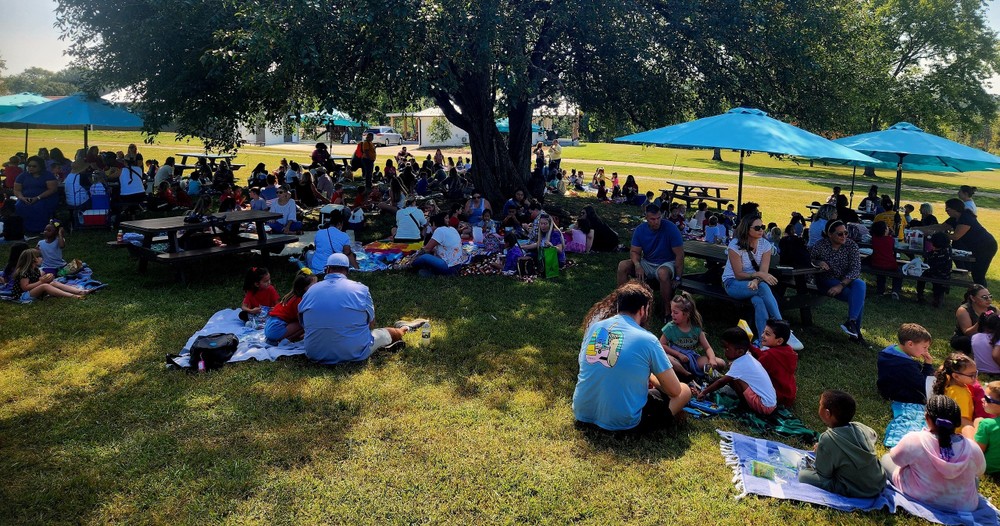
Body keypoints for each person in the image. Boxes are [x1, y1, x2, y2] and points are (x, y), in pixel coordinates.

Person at [572, 282, 692, 433]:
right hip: (623, 424)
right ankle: (658, 424)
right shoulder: (648, 339)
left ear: (618, 307)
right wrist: (653, 378)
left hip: (582, 413)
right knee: (685, 390)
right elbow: (674, 391)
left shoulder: (595, 328)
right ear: (643, 310)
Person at [299, 253, 422, 364]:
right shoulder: (361, 289)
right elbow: (371, 324)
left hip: (314, 353)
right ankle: (404, 329)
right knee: (386, 333)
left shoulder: (310, 292)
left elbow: (304, 324)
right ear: (347, 271)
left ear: (327, 270)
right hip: (353, 352)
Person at [881, 395, 985, 513]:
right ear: (957, 422)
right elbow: (980, 471)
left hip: (921, 497)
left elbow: (896, 460)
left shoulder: (914, 440)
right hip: (964, 506)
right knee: (974, 479)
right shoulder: (973, 448)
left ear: (927, 417)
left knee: (886, 458)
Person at [798, 390, 885, 497]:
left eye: (820, 404)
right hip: (879, 482)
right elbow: (873, 434)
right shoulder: (859, 427)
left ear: (827, 413)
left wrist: (821, 452)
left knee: (803, 475)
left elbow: (823, 474)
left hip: (859, 489)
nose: (818, 406)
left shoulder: (828, 438)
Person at [723, 214, 784, 338]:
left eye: (762, 226)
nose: (761, 230)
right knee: (763, 288)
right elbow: (739, 275)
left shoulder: (765, 245)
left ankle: (764, 340)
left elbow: (763, 271)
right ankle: (782, 327)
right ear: (747, 229)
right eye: (757, 228)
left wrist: (756, 280)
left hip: (754, 283)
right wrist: (758, 275)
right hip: (732, 282)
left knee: (759, 300)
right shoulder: (735, 245)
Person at [617, 204, 684, 316]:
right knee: (622, 266)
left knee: (662, 273)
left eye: (658, 218)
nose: (656, 221)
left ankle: (667, 310)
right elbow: (634, 252)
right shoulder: (640, 230)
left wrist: (677, 277)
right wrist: (637, 265)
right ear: (646, 218)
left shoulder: (671, 228)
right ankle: (622, 304)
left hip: (667, 262)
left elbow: (680, 254)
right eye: (652, 219)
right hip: (648, 261)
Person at [696, 327, 777, 416]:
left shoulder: (739, 364)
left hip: (763, 406)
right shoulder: (747, 357)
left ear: (740, 352)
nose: (724, 351)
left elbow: (721, 382)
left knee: (734, 378)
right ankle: (746, 402)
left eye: (727, 349)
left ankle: (744, 405)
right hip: (771, 404)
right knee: (733, 376)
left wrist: (704, 392)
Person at [810, 220, 866, 341]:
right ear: (830, 234)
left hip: (845, 280)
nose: (844, 236)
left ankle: (851, 321)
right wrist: (818, 262)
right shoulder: (821, 245)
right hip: (827, 279)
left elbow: (856, 269)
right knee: (857, 297)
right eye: (840, 234)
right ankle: (855, 330)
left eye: (845, 233)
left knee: (860, 284)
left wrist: (841, 285)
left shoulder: (851, 245)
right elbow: (809, 258)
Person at [659, 291, 724, 380]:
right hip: (676, 359)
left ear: (686, 313)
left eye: (675, 312)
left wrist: (712, 359)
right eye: (672, 311)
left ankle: (703, 374)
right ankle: (688, 376)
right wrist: (678, 355)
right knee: (668, 360)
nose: (672, 315)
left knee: (721, 363)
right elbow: (661, 345)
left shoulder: (696, 329)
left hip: (692, 359)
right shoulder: (670, 327)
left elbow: (707, 348)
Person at [877, 323, 935, 404]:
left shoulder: (887, 352)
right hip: (899, 396)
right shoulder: (906, 365)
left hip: (884, 387)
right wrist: (928, 366)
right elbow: (924, 386)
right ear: (910, 344)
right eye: (924, 347)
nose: (926, 351)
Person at [945, 198, 996, 287]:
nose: (946, 211)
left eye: (947, 208)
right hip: (976, 247)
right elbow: (940, 227)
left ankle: (983, 296)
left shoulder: (965, 218)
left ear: (954, 209)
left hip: (986, 246)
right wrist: (920, 229)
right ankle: (975, 294)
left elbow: (956, 236)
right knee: (975, 272)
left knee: (978, 275)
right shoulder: (955, 218)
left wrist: (939, 236)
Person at [750, 319, 798, 407]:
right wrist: (749, 347)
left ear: (779, 341)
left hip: (777, 397)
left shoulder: (769, 356)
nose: (762, 335)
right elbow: (762, 355)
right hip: (788, 394)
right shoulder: (787, 350)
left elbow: (753, 373)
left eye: (767, 334)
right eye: (763, 332)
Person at [10, 248, 88, 301]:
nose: (42, 258)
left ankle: (79, 291)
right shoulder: (24, 272)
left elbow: (37, 280)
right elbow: (25, 288)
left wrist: (47, 278)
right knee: (45, 286)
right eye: (40, 257)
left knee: (53, 283)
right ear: (34, 259)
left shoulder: (35, 269)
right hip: (22, 295)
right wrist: (42, 282)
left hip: (32, 292)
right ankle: (73, 296)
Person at [264, 269, 317, 345]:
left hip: (270, 326)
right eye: (314, 285)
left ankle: (277, 339)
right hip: (276, 329)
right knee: (303, 324)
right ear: (305, 287)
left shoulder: (292, 295)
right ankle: (281, 340)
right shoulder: (299, 301)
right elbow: (304, 320)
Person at [933, 353, 979, 438]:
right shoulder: (960, 393)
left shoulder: (949, 381)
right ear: (956, 376)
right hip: (959, 434)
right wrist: (978, 429)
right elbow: (961, 419)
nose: (975, 378)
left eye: (976, 373)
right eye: (971, 375)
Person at [13, 156, 59, 233]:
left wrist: (38, 197)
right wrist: (22, 198)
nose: (31, 168)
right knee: (19, 206)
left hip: (45, 198)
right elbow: (17, 190)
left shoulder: (48, 175)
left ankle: (40, 228)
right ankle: (22, 228)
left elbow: (52, 189)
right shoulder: (22, 176)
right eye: (29, 166)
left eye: (34, 166)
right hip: (25, 198)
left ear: (40, 166)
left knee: (39, 206)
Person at [309, 210, 357, 275]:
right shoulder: (344, 236)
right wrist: (357, 268)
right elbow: (348, 254)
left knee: (308, 254)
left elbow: (316, 248)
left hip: (317, 267)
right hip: (334, 269)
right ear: (339, 224)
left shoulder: (319, 232)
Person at [952, 284, 995, 352]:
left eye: (990, 296)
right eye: (984, 297)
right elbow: (967, 333)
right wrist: (980, 323)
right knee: (966, 340)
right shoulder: (963, 310)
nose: (989, 299)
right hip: (965, 339)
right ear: (972, 298)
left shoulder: (993, 309)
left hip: (986, 337)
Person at [917, 231, 953, 307]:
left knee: (921, 275)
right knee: (939, 286)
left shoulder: (935, 254)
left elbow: (928, 260)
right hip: (946, 274)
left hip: (935, 273)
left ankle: (920, 294)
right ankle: (938, 298)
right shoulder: (948, 249)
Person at [869, 221, 902, 299]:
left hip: (876, 264)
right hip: (890, 265)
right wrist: (892, 233)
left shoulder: (874, 239)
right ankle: (895, 290)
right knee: (899, 273)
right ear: (885, 230)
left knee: (880, 275)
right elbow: (893, 242)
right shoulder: (890, 240)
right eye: (887, 227)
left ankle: (880, 291)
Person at [974, 381, 1000, 474]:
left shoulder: (987, 424)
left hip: (989, 468)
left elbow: (977, 452)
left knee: (968, 428)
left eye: (987, 398)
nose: (982, 399)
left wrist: (977, 425)